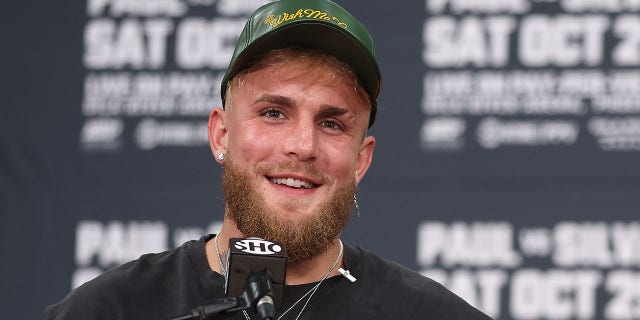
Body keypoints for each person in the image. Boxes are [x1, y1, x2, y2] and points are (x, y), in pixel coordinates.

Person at [45, 0, 492, 319]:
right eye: (274, 113)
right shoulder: (111, 310)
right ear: (222, 134)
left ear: (361, 160)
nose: (302, 145)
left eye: (332, 123)